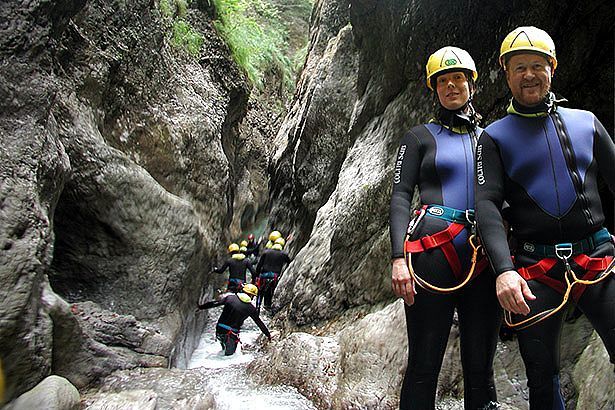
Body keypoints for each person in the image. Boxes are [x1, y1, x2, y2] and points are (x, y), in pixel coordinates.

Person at [475, 26, 615, 409]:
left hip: (598, 260)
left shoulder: (586, 122)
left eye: (537, 65)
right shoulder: (494, 138)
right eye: (519, 67)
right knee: (541, 377)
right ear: (506, 74)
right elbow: (487, 204)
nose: (529, 75)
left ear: (552, 68)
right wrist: (504, 270)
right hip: (535, 268)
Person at [389, 46, 502, 409]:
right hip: (432, 255)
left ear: (471, 83)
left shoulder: (491, 138)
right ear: (434, 88)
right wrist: (397, 258)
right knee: (423, 366)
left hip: (483, 258)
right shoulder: (419, 137)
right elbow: (401, 196)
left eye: (458, 79)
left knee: (481, 370)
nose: (451, 86)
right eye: (443, 81)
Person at [197, 283, 271, 355]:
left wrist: (201, 307)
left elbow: (215, 303)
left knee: (223, 350)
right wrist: (268, 335)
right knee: (229, 356)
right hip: (231, 334)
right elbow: (259, 323)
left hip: (219, 330)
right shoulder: (251, 308)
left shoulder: (230, 298)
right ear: (251, 295)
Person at [255, 236, 291, 311]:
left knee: (260, 292)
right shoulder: (283, 254)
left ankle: (257, 306)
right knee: (269, 293)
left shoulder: (266, 252)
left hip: (264, 274)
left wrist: (256, 275)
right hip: (274, 276)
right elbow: (289, 263)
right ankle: (267, 306)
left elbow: (259, 265)